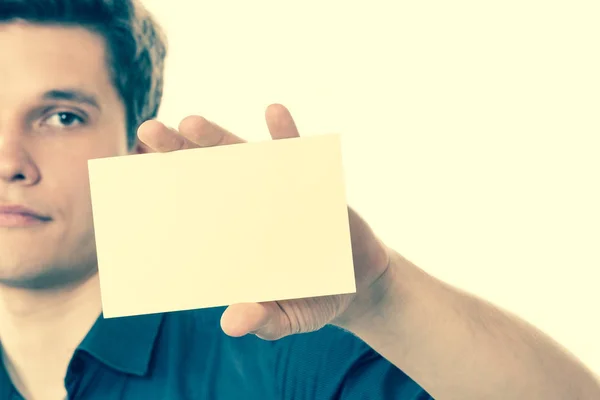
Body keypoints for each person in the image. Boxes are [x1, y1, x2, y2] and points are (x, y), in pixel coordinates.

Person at [0, 1, 598, 399]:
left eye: (61, 116)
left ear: (134, 142)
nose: (9, 163)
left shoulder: (275, 341)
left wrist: (385, 298)